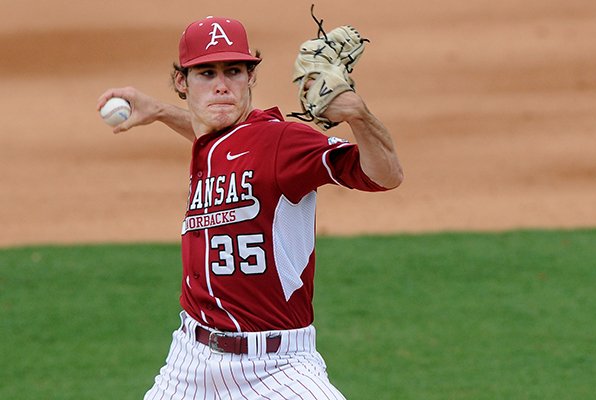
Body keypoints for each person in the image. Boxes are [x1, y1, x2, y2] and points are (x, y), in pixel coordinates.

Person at [97, 15, 403, 400]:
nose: (222, 86)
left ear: (251, 77)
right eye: (206, 73)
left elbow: (385, 175)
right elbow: (214, 135)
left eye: (234, 71)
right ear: (182, 81)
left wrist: (359, 115)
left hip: (277, 369)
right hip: (189, 360)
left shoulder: (282, 143)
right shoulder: (212, 139)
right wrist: (158, 112)